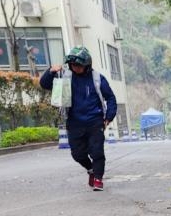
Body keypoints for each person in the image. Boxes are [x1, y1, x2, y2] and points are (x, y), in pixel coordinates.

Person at [39, 46, 117, 191]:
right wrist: (51, 72)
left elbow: (111, 98)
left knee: (97, 152)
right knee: (77, 154)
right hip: (74, 122)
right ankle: (91, 169)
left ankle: (98, 179)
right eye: (73, 65)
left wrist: (109, 116)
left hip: (95, 121)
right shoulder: (65, 76)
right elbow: (44, 84)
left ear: (87, 65)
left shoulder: (97, 78)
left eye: (79, 65)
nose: (76, 68)